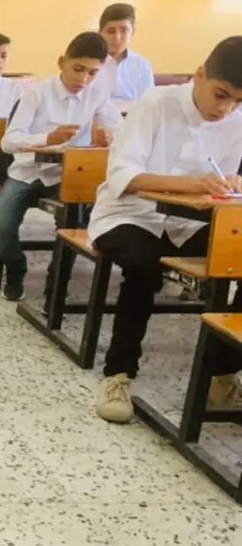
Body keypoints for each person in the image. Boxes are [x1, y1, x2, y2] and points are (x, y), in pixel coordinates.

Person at [89, 36, 242, 423]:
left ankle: (222, 375)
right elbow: (123, 175)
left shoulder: (236, 121)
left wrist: (230, 184)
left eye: (238, 102)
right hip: (128, 214)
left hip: (186, 220)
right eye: (221, 94)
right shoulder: (155, 103)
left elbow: (221, 181)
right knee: (144, 266)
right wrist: (192, 184)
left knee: (238, 256)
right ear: (200, 74)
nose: (225, 109)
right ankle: (118, 375)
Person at [0, 31, 124, 302]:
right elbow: (8, 141)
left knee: (73, 225)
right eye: (78, 69)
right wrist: (47, 139)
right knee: (2, 226)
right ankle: (16, 269)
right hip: (27, 173)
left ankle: (56, 286)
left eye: (92, 73)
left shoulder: (97, 95)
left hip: (67, 176)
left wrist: (109, 138)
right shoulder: (37, 93)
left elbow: (122, 132)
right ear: (62, 62)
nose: (83, 79)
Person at [95, 3, 155, 106]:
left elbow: (148, 102)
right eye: (111, 31)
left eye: (124, 31)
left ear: (132, 32)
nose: (117, 38)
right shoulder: (90, 62)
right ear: (100, 33)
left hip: (132, 114)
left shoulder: (141, 64)